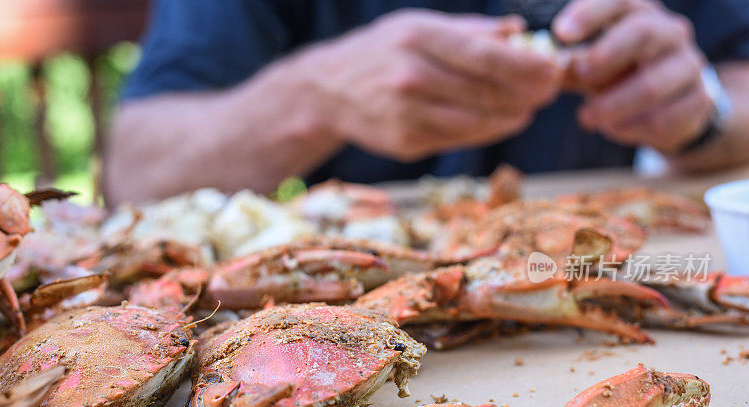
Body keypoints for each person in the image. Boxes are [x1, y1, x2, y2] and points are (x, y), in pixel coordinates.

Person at [104, 0, 749, 205]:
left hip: (610, 266)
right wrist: (313, 96)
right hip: (365, 315)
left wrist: (704, 115)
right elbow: (137, 171)